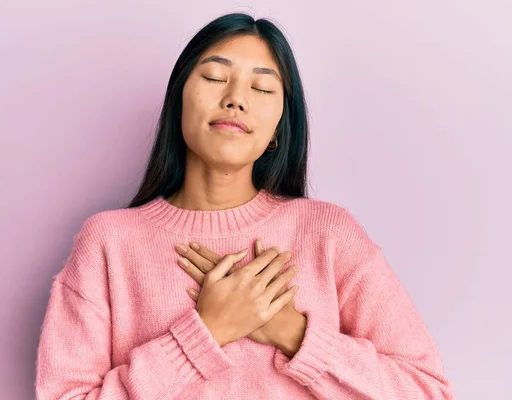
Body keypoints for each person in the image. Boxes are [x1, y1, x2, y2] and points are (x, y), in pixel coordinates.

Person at [35, 12, 455, 399]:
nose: (236, 99)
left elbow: (428, 391)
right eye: (216, 77)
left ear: (277, 128)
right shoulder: (109, 242)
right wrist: (207, 332)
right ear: (179, 99)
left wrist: (291, 331)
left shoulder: (328, 233)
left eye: (261, 87)